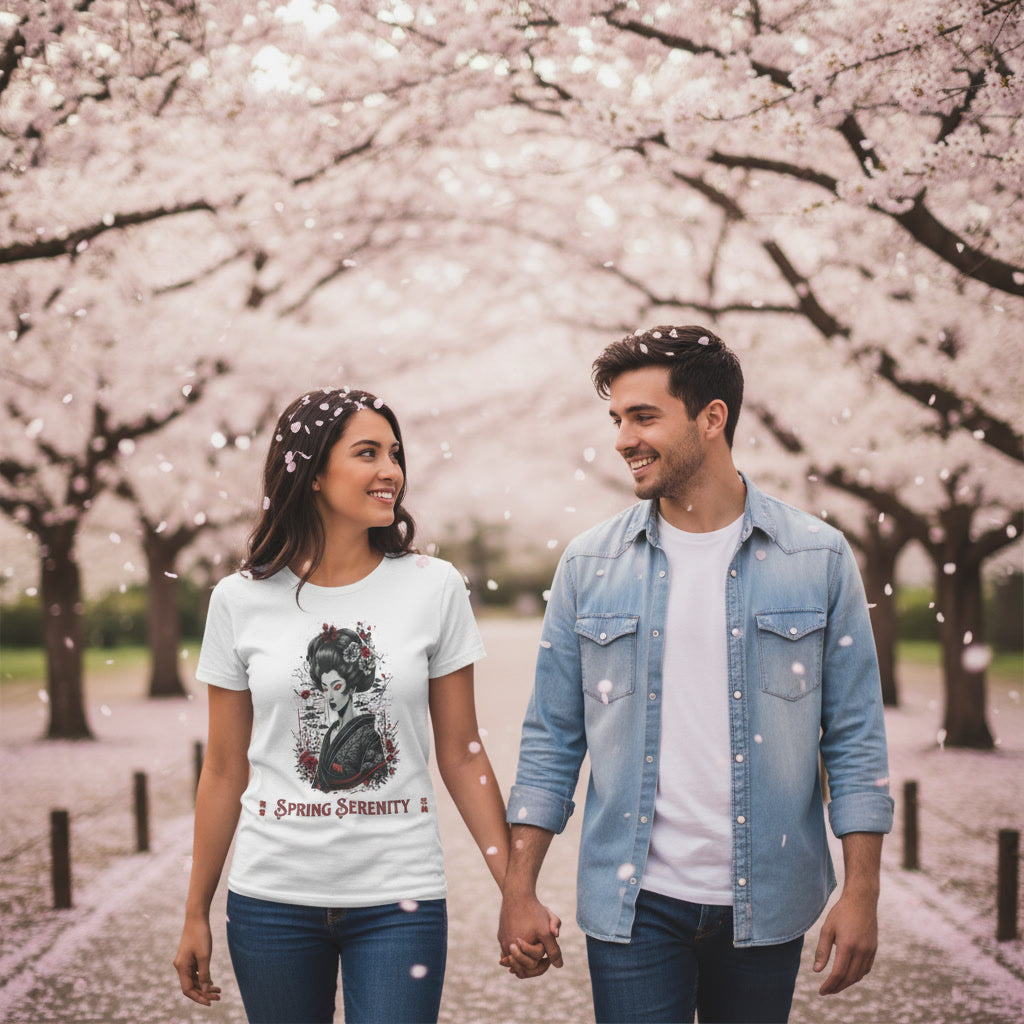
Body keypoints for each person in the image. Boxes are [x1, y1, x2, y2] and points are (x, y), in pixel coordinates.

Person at [498, 326, 894, 1024]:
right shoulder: (589, 566)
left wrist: (862, 892)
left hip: (768, 898)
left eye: (644, 416)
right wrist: (518, 887)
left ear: (713, 418)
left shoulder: (817, 557)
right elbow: (551, 739)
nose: (623, 439)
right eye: (617, 419)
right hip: (634, 904)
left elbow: (856, 737)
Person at [174, 387, 510, 1024]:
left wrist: (513, 889)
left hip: (399, 898)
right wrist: (195, 910)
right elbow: (222, 767)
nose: (392, 471)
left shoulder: (432, 587)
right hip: (270, 899)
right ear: (314, 473)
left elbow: (462, 753)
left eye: (394, 453)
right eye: (367, 453)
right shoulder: (238, 600)